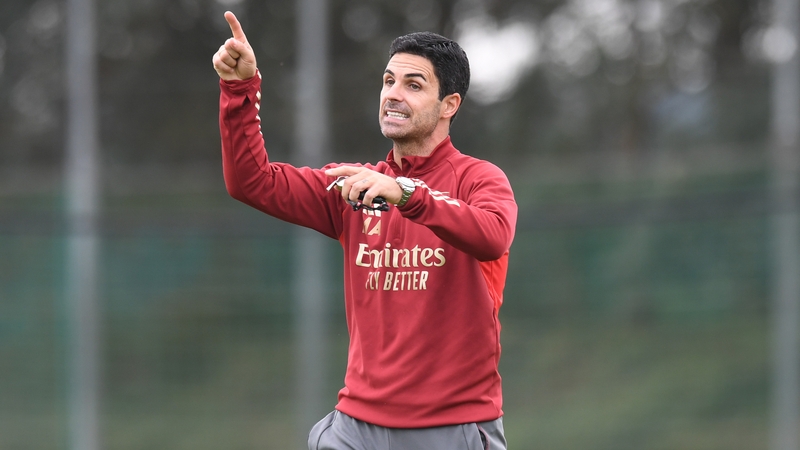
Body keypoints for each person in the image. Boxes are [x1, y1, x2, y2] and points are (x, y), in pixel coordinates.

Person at [212, 10, 517, 450]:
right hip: (357, 426)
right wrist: (239, 88)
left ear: (449, 105)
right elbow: (251, 182)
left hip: (451, 426)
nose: (394, 94)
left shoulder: (480, 179)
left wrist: (406, 193)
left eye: (414, 86)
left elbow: (492, 236)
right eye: (389, 81)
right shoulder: (355, 185)